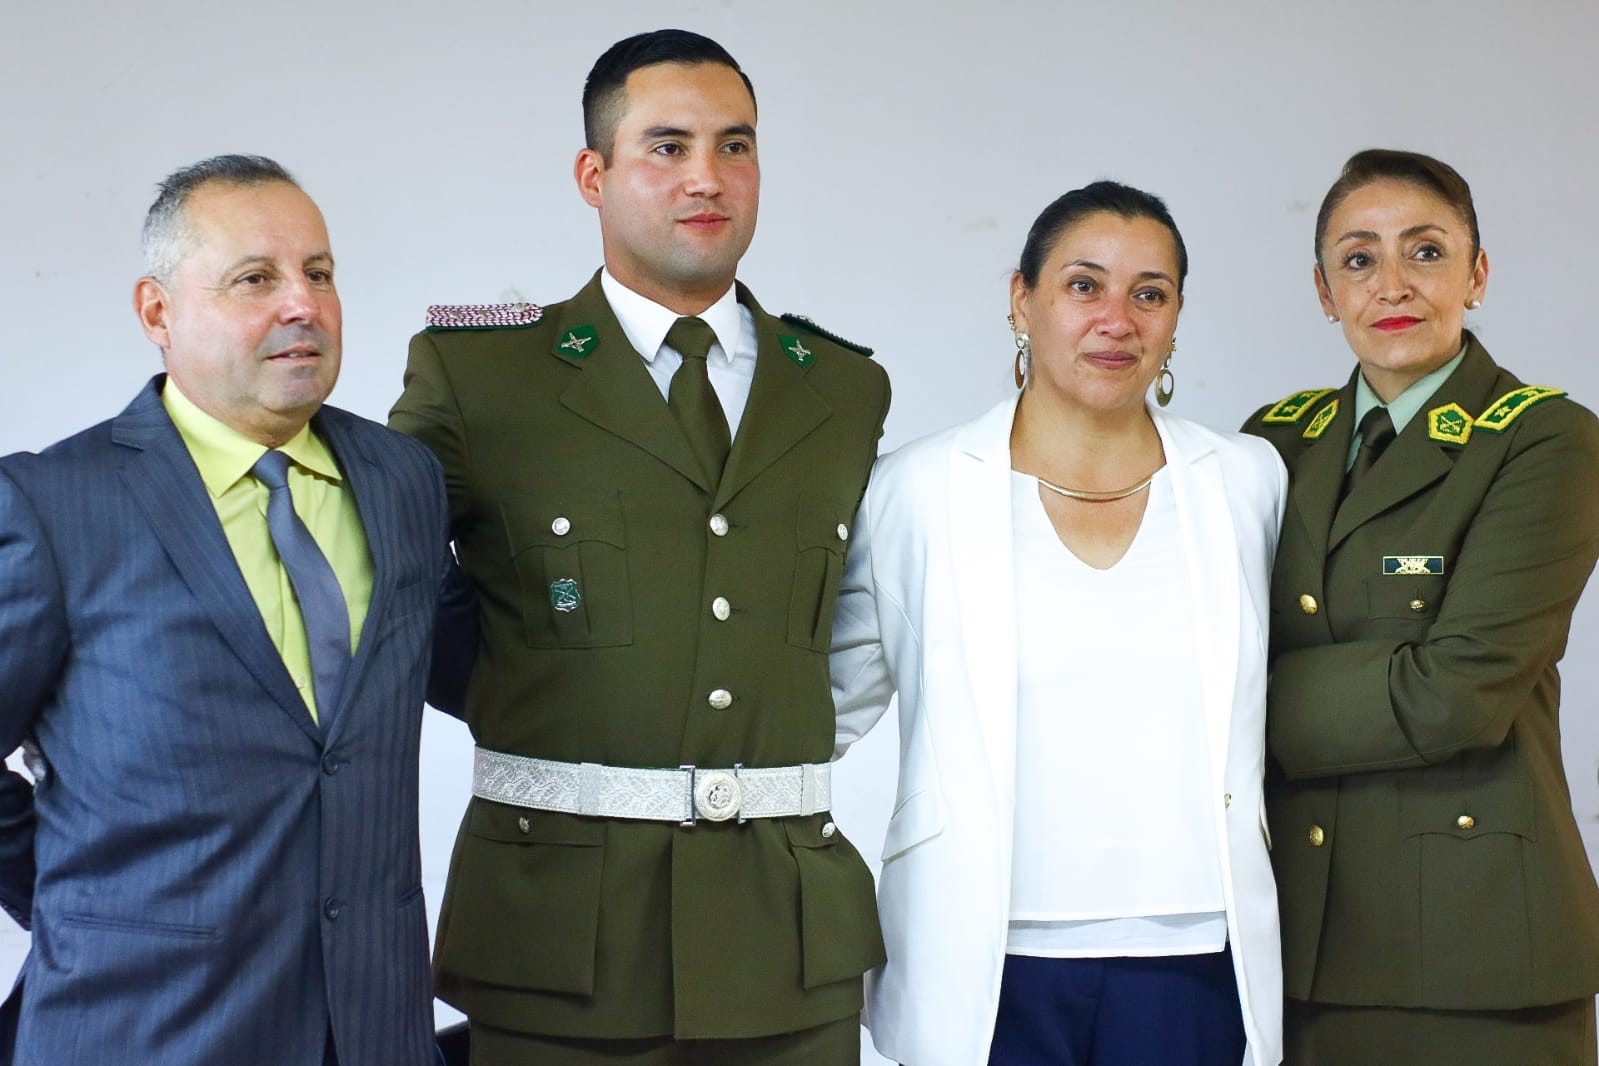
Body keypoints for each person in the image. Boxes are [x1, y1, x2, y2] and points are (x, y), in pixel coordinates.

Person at [389, 28, 890, 1064]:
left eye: (735, 146)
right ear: (594, 172)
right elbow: (387, 587)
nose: (707, 177)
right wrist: (533, 685)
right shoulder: (482, 372)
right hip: (558, 942)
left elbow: (856, 624)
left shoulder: (843, 388)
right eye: (667, 146)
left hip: (785, 948)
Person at [0, 155, 450, 1066]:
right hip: (146, 1028)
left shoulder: (403, 481)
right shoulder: (52, 505)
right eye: (256, 279)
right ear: (157, 312)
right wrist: (92, 900)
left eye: (318, 274)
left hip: (373, 1031)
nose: (303, 306)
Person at [831, 181, 1286, 1065]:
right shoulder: (913, 490)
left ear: (1175, 316)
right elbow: (818, 711)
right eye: (1084, 285)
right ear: (1021, 300)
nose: (1116, 318)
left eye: (1147, 293)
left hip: (1194, 956)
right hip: (984, 957)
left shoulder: (1245, 482)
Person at [1244, 148, 1599, 1064]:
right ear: (1324, 291)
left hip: (1472, 950)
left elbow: (1457, 693)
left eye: (1426, 252)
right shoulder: (1271, 446)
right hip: (1288, 941)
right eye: (1358, 258)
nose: (1391, 284)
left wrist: (1235, 701)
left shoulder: (1544, 440)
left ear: (1476, 274)